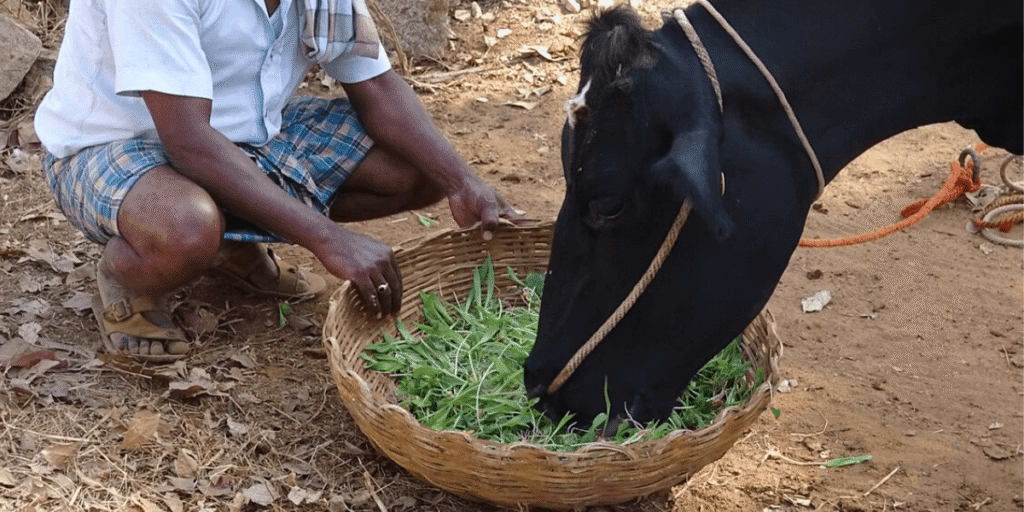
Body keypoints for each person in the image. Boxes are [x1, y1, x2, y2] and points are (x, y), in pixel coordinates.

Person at [34, 0, 524, 363]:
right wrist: (326, 237)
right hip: (116, 144)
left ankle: (229, 242)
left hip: (250, 134)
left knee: (418, 167)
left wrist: (463, 181)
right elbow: (186, 139)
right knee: (184, 228)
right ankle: (126, 277)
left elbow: (374, 84)